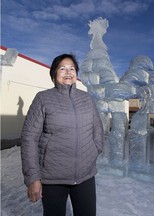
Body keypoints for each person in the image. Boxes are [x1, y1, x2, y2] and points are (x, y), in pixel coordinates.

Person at [21, 53, 104, 216]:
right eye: (63, 68)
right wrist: (33, 178)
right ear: (54, 74)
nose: (68, 72)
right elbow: (29, 138)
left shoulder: (86, 98)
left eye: (72, 68)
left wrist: (95, 149)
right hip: (53, 178)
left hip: (85, 177)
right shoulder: (43, 99)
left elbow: (97, 129)